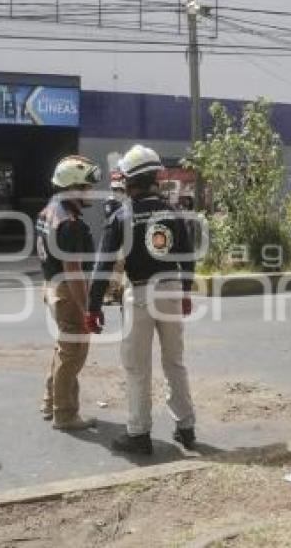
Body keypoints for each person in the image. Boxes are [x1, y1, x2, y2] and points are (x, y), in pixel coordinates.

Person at [86, 145, 197, 455]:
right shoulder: (174, 212)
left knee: (138, 367)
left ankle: (139, 434)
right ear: (155, 178)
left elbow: (104, 264)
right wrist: (185, 291)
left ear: (129, 181)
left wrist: (93, 307)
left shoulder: (122, 216)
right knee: (175, 361)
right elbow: (188, 257)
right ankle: (186, 428)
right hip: (172, 288)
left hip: (141, 293)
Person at [36, 155, 100, 431]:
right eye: (87, 186)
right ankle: (65, 414)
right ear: (73, 188)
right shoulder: (69, 223)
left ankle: (50, 401)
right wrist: (88, 308)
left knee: (64, 348)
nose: (91, 192)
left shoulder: (49, 210)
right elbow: (73, 270)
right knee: (73, 352)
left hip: (51, 285)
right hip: (66, 290)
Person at [102, 171, 128, 306]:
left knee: (120, 266)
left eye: (120, 189)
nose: (118, 191)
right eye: (116, 189)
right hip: (115, 238)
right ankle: (109, 294)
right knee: (116, 267)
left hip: (124, 238)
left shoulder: (123, 200)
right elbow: (112, 219)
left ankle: (116, 292)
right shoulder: (111, 202)